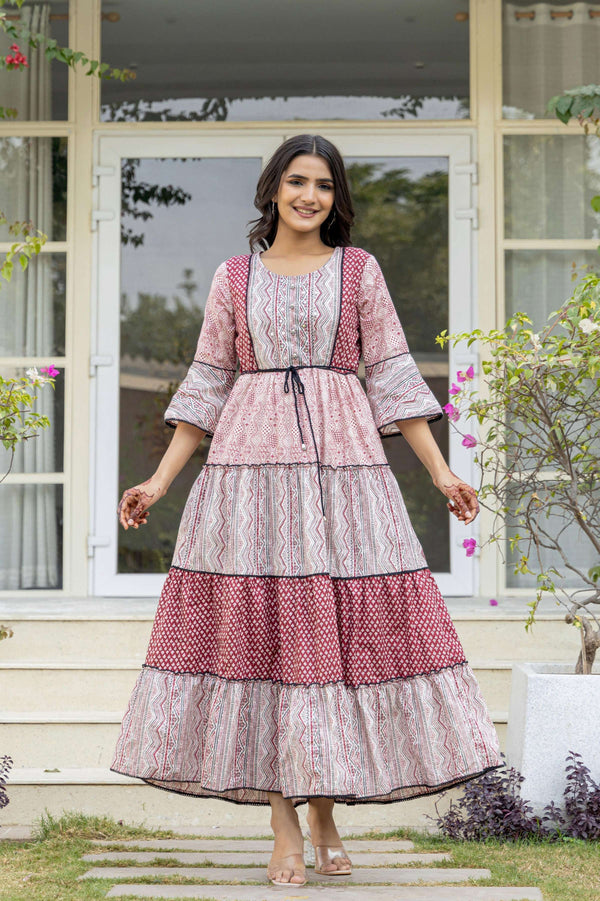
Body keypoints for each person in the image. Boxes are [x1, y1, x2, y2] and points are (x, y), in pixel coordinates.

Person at [112, 134, 502, 887]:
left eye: (323, 185)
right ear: (272, 189)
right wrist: (157, 482)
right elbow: (207, 382)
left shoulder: (360, 270)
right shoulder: (234, 277)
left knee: (335, 641)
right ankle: (284, 821)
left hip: (343, 476)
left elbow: (391, 374)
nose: (309, 196)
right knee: (268, 642)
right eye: (297, 181)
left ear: (336, 197)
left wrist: (441, 471)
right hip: (250, 477)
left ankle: (323, 807)